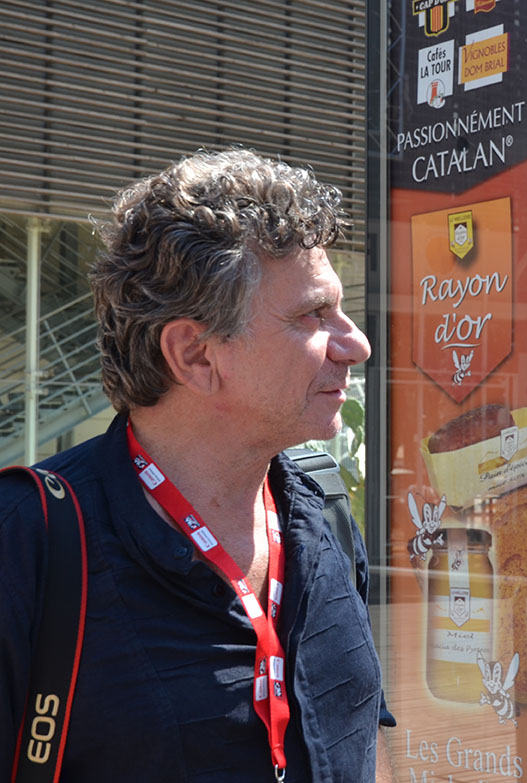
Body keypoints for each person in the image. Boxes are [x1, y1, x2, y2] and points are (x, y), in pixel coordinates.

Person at [0, 150, 397, 782]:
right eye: (312, 315)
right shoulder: (28, 543)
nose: (356, 343)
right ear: (195, 355)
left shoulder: (323, 509)